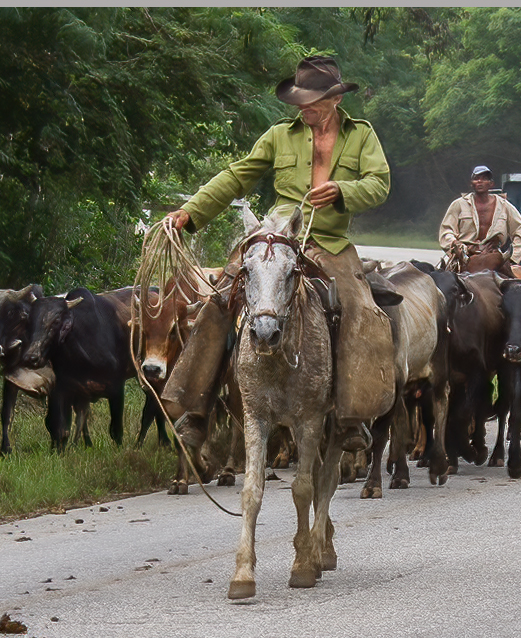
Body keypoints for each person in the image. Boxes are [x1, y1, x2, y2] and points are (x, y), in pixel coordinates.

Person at [166, 55, 395, 452]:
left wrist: (343, 191)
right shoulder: (278, 135)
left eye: (312, 100)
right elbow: (237, 175)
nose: (303, 107)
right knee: (221, 299)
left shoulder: (362, 136)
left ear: (335, 99)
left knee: (359, 307)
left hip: (329, 242)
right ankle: (195, 411)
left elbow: (379, 184)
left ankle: (352, 417)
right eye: (299, 100)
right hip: (276, 237)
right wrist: (191, 211)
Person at [438, 166, 521, 265]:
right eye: (476, 178)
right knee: (443, 278)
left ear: (491, 184)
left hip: (495, 257)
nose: (479, 181)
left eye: (484, 179)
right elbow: (446, 231)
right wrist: (455, 244)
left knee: (515, 279)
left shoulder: (504, 205)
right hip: (464, 257)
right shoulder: (459, 204)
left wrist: (513, 258)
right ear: (471, 183)